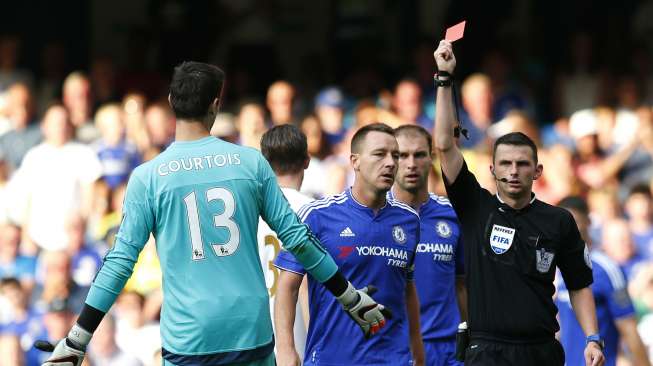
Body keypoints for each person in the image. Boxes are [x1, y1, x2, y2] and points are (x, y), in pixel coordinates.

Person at [38, 61, 390, 366]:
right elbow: (297, 238)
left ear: (173, 102)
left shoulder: (148, 176)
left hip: (188, 340)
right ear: (215, 106)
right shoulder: (250, 162)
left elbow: (119, 263)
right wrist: (348, 295)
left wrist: (78, 338)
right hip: (248, 332)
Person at [432, 40, 604, 366]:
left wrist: (592, 337)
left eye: (523, 164)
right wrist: (444, 78)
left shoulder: (559, 221)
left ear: (538, 170)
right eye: (506, 164)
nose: (514, 171)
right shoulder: (474, 207)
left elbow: (580, 284)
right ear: (492, 169)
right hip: (486, 351)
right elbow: (444, 145)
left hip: (541, 350)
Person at [274, 123, 424, 366]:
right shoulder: (318, 215)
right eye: (379, 154)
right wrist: (285, 349)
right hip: (331, 358)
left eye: (395, 155)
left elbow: (407, 289)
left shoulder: (409, 220)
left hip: (393, 359)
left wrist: (417, 352)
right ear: (355, 161)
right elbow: (288, 286)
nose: (390, 163)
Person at [390, 124, 466, 366]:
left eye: (419, 154)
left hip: (450, 350)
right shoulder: (375, 217)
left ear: (431, 157)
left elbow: (463, 284)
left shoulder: (453, 214)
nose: (411, 163)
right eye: (402, 155)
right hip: (398, 349)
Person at [556, 196, 651, 366]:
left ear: (589, 222)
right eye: (562, 224)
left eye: (575, 221)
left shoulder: (607, 268)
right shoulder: (556, 269)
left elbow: (629, 328)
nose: (568, 229)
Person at [256, 125, 313, 364]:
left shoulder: (249, 211)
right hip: (300, 339)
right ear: (307, 161)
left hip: (253, 339)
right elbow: (308, 285)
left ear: (264, 163)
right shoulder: (316, 211)